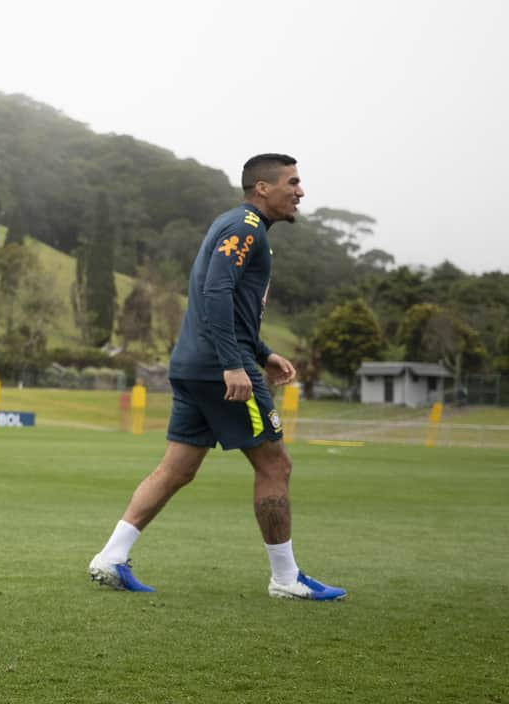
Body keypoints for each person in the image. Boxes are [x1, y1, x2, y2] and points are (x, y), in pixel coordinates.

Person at [88, 154, 346, 602]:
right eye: (293, 182)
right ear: (262, 188)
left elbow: (230, 302)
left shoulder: (240, 227)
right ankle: (285, 578)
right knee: (275, 464)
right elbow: (216, 291)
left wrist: (262, 352)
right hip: (220, 369)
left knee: (176, 469)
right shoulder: (245, 227)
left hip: (193, 366)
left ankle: (111, 557)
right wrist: (235, 363)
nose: (300, 191)